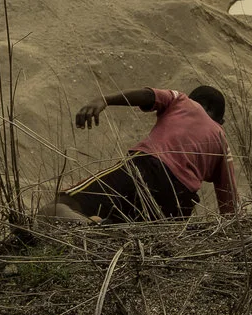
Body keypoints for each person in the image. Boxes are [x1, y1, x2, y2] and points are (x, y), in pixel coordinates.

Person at [63, 85, 240, 221]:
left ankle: (85, 227)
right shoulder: (222, 142)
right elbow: (229, 205)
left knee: (63, 206)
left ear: (195, 100)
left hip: (146, 169)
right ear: (221, 121)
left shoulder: (182, 100)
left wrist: (104, 100)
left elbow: (148, 96)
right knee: (134, 238)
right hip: (180, 202)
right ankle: (103, 228)